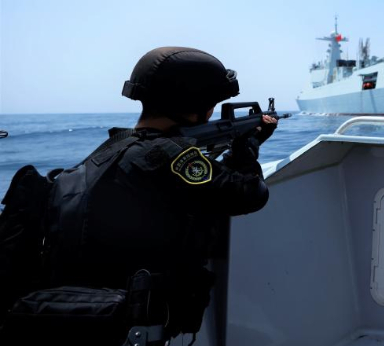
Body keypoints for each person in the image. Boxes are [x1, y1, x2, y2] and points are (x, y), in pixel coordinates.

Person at [0, 47, 276, 345]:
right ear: (199, 106)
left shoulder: (99, 157)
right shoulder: (171, 157)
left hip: (62, 322)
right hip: (132, 327)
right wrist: (248, 148)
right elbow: (249, 194)